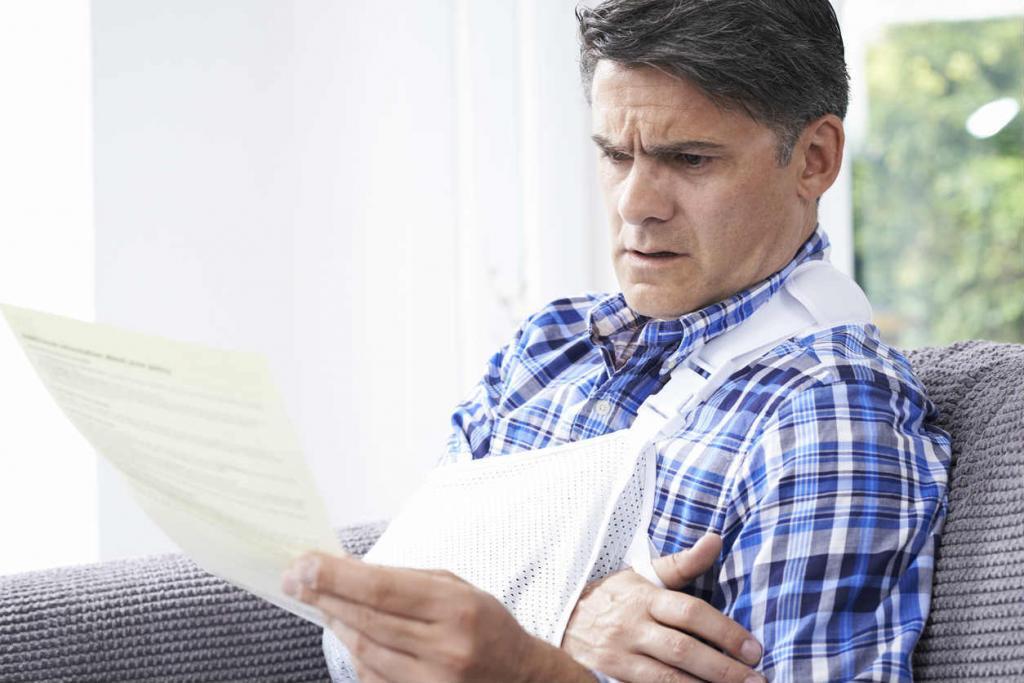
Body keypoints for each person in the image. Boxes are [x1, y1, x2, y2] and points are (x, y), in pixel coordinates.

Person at [281, 0, 952, 680]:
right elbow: (388, 617)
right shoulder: (549, 347)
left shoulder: (825, 417)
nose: (635, 203)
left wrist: (531, 667)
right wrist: (564, 618)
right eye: (613, 154)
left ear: (813, 159)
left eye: (688, 159)